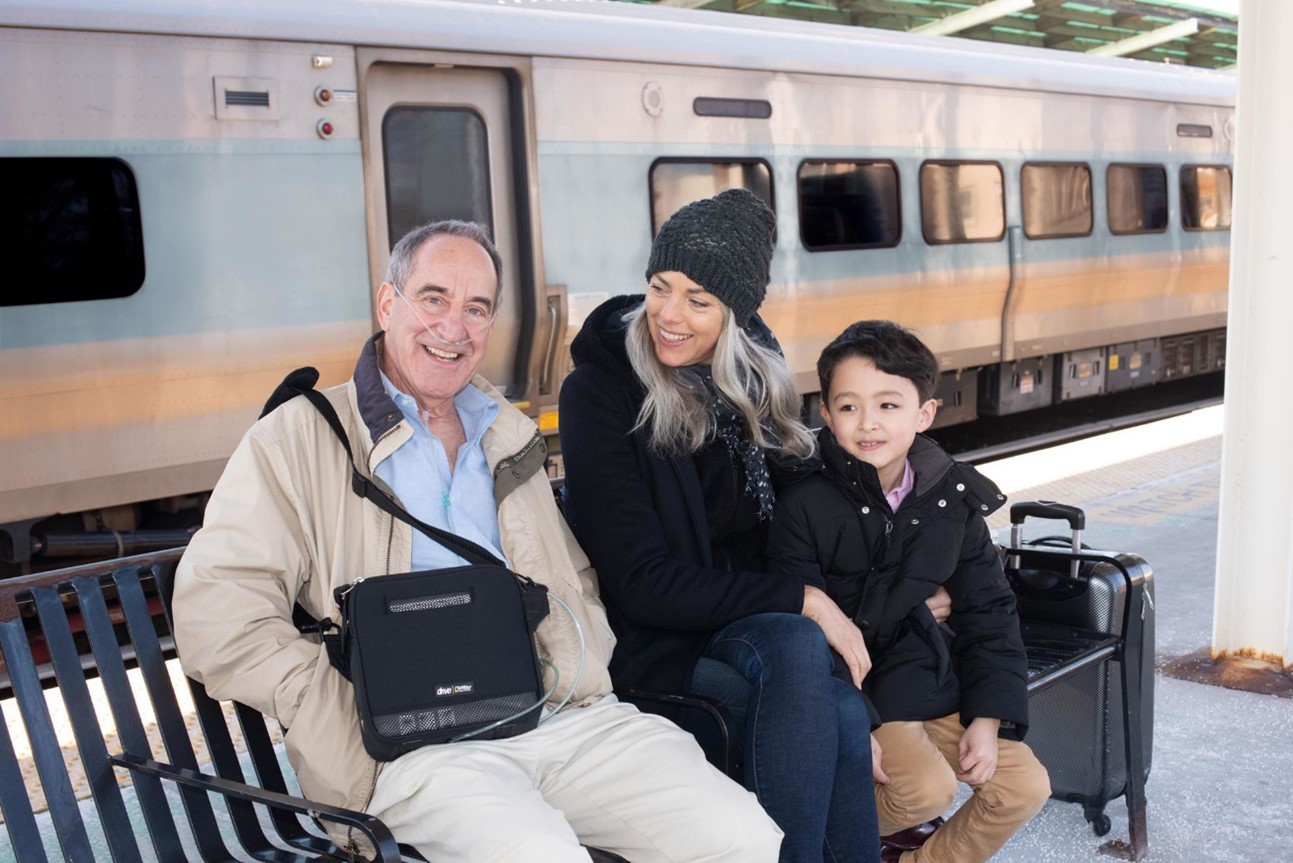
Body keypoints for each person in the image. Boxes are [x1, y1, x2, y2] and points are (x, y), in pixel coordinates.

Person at [171, 220, 784, 863]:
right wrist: (338, 699)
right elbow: (217, 615)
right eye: (433, 299)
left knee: (743, 838)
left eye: (476, 309)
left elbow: (572, 583)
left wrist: (578, 669)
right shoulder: (298, 438)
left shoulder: (506, 435)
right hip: (412, 755)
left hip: (560, 721)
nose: (453, 328)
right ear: (388, 305)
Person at [559, 188, 881, 863]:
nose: (669, 316)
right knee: (802, 651)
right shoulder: (602, 391)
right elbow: (640, 583)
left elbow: (806, 516)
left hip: (747, 629)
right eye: (660, 287)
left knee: (837, 698)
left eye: (698, 301)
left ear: (734, 313)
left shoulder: (749, 378)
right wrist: (801, 599)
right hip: (653, 637)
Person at [766, 320, 1051, 863]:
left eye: (889, 406)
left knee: (1023, 788)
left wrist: (988, 719)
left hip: (932, 678)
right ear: (824, 414)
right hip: (860, 690)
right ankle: (815, 837)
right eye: (848, 407)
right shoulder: (803, 505)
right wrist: (854, 724)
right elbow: (798, 627)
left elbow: (989, 610)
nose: (868, 423)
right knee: (925, 789)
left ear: (925, 414)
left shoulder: (953, 501)